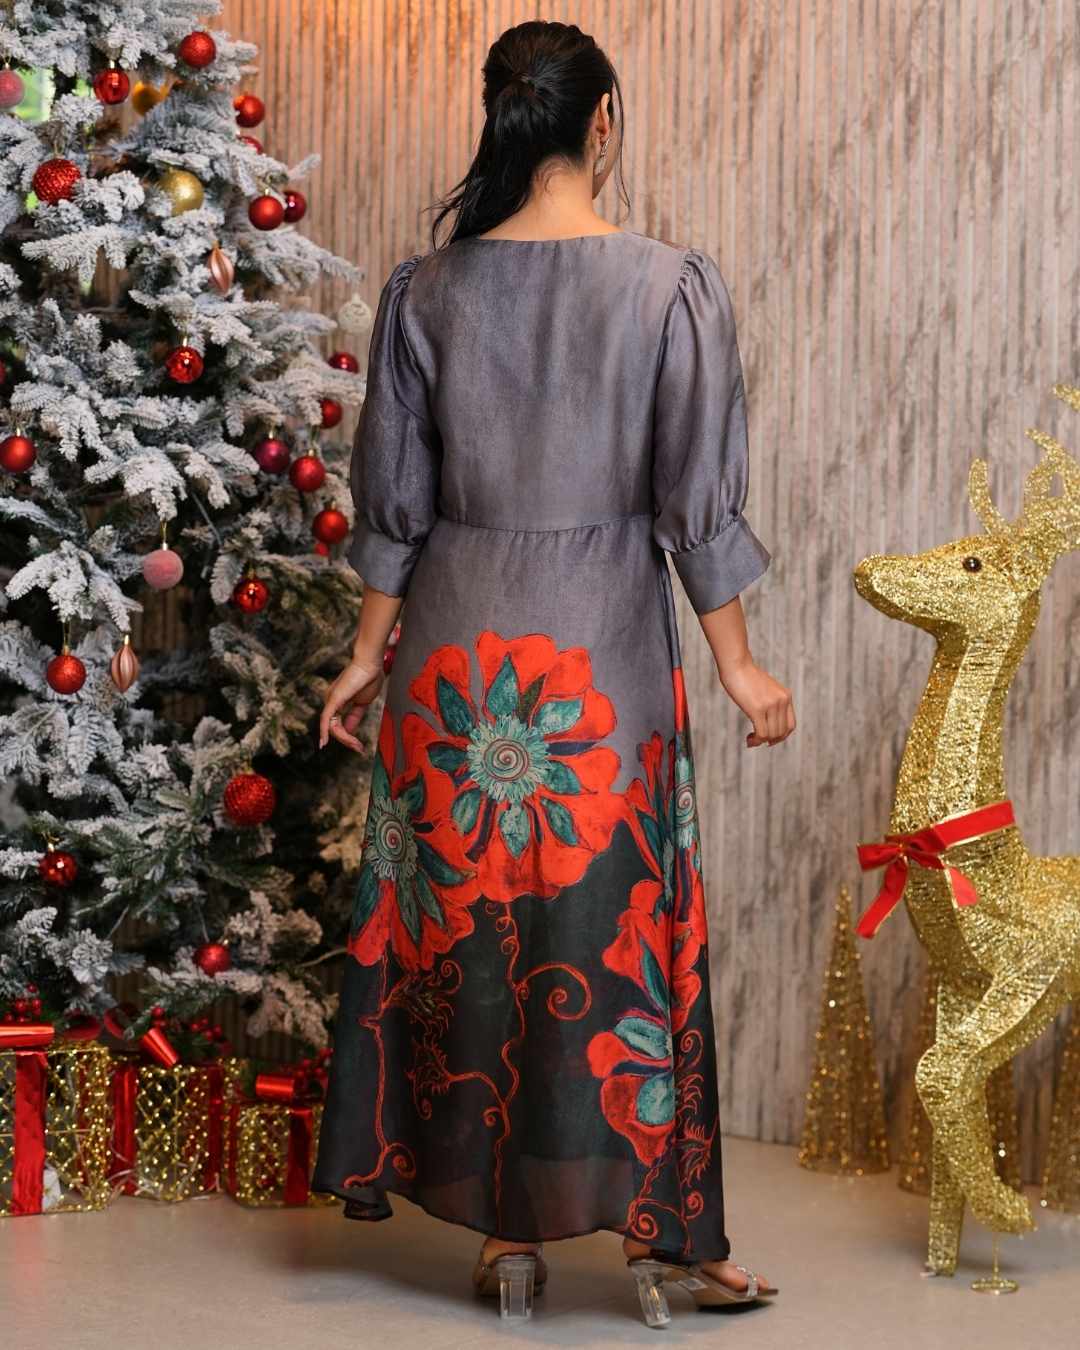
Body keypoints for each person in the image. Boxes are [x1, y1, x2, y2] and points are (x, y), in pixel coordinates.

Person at [313, 19, 795, 1328]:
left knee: (483, 943)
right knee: (614, 940)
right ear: (603, 122)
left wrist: (363, 658)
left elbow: (395, 503)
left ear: (506, 120)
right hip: (600, 656)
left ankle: (505, 1238)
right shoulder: (669, 288)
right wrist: (742, 666)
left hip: (457, 663)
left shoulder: (425, 291)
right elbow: (695, 505)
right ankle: (662, 1237)